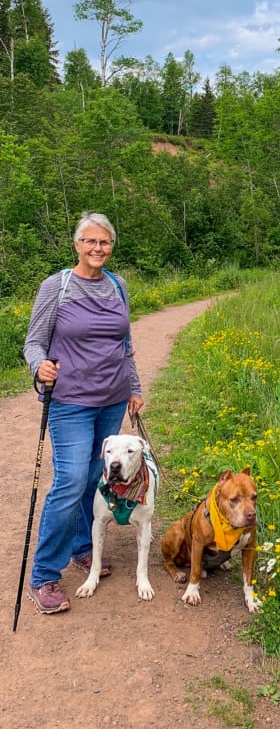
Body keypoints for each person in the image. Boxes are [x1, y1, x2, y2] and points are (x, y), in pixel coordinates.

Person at [23, 211, 143, 614]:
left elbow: (124, 346)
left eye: (104, 242)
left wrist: (135, 387)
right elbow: (33, 344)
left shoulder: (119, 286)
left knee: (96, 476)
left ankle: (81, 548)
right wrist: (39, 366)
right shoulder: (56, 287)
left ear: (112, 246)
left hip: (112, 398)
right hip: (70, 401)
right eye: (90, 241)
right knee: (72, 479)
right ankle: (43, 576)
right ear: (76, 245)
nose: (97, 248)